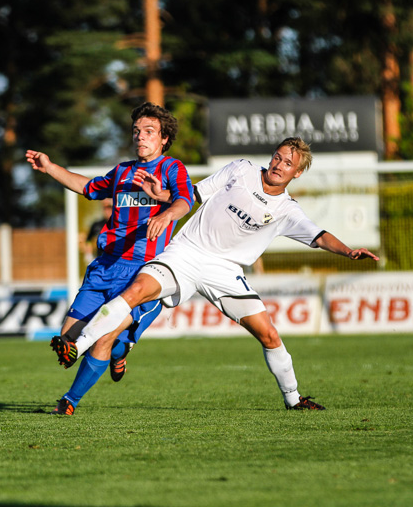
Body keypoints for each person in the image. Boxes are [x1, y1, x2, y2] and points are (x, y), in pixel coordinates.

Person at [50, 137, 379, 411]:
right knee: (136, 290)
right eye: (277, 158)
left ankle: (293, 400)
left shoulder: (287, 210)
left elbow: (319, 235)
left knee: (269, 335)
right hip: (186, 252)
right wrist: (165, 198)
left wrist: (348, 251)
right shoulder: (242, 169)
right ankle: (77, 347)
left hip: (224, 271)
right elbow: (193, 195)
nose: (279, 166)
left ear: (297, 173)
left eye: (287, 164)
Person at [26, 102, 194, 416]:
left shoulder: (173, 169)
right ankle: (120, 352)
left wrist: (166, 211)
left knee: (101, 334)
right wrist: (49, 167)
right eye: (136, 131)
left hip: (143, 273)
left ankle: (69, 402)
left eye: (149, 132)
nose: (140, 137)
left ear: (164, 139)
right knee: (67, 342)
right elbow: (86, 187)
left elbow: (186, 200)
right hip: (104, 266)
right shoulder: (122, 171)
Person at [82, 198, 113, 263]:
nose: (107, 211)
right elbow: (88, 240)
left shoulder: (119, 225)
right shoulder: (97, 225)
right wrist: (89, 255)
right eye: (105, 208)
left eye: (109, 208)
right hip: (101, 259)